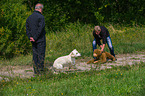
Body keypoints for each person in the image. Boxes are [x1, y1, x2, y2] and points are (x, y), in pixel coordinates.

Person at [26, 3, 46, 75]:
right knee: (41, 55)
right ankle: (41, 71)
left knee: (35, 55)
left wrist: (30, 37)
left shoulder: (29, 17)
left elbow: (27, 29)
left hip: (33, 41)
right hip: (40, 39)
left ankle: (35, 71)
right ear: (40, 9)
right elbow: (40, 29)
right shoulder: (41, 17)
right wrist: (35, 37)